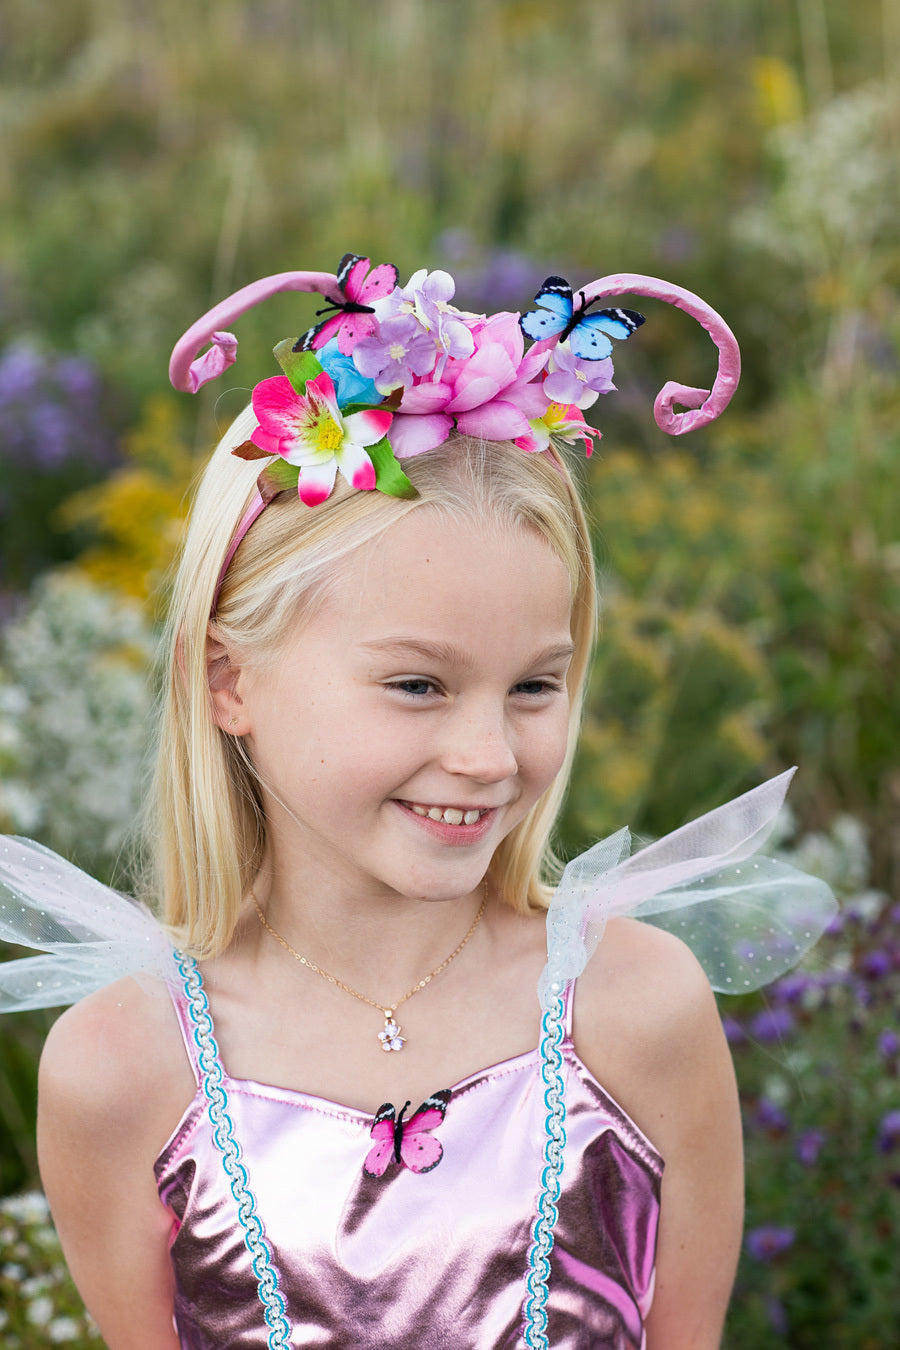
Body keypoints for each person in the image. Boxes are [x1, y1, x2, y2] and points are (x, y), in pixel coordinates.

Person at [2, 257, 833, 1350]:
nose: (488, 755)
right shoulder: (122, 1070)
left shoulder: (636, 1013)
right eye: (417, 686)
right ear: (230, 680)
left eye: (535, 684)